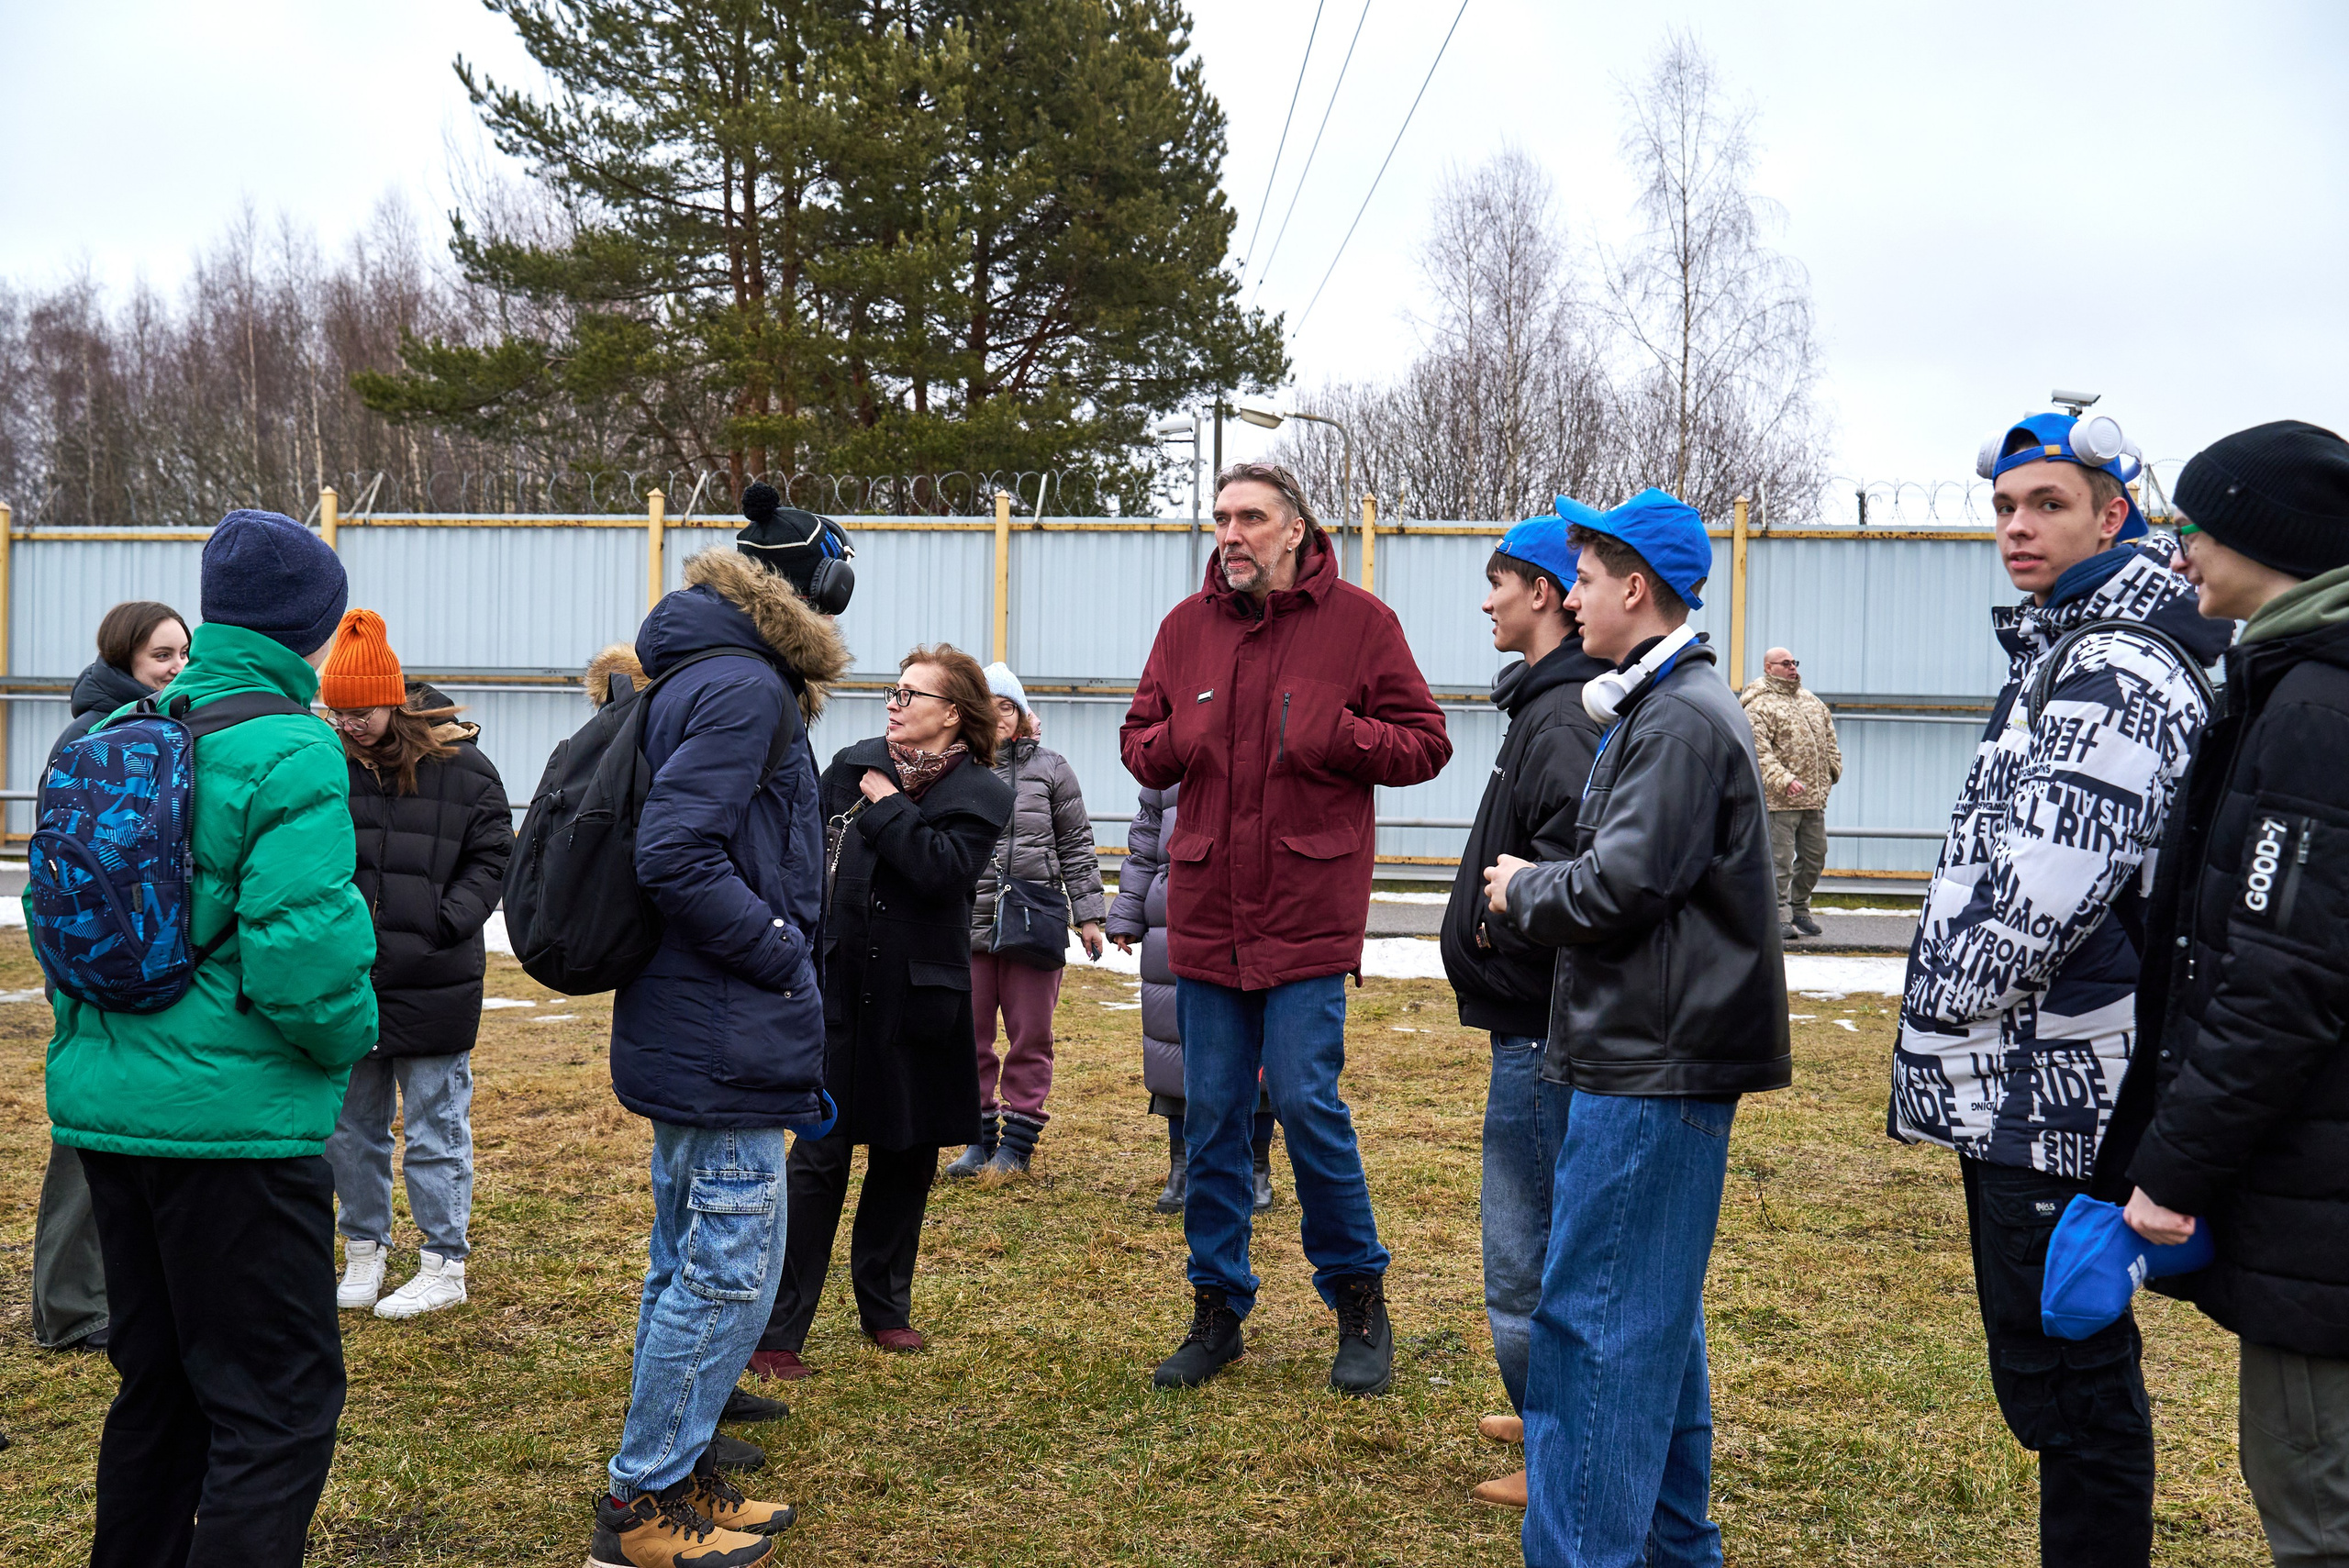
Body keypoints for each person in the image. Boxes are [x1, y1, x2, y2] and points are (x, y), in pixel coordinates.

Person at [1889, 407, 2228, 1568]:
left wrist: (1941, 984)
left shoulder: (2116, 661)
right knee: (2058, 1364)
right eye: (2003, 506)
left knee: (2069, 1370)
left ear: (2112, 512)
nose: (2017, 528)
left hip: (2056, 1078)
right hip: (2029, 1066)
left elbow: (2042, 890)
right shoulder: (2068, 644)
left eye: (2047, 504)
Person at [46, 510, 378, 1566]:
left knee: (162, 1386)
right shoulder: (291, 745)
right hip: (237, 1131)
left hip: (112, 1116)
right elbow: (305, 964)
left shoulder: (113, 733)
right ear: (314, 627)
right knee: (277, 1404)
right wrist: (348, 1042)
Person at [1485, 488, 1792, 1567]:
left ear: (1633, 586)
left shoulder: (1675, 718)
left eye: (1581, 574)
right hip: (1648, 1057)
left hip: (1649, 1067)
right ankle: (1673, 1547)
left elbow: (1620, 885)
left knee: (1594, 1330)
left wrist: (1525, 886)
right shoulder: (1667, 706)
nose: (1569, 595)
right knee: (1650, 1327)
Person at [1120, 461, 1452, 1396]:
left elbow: (1426, 740)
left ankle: (1357, 1299)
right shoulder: (1184, 628)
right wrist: (1179, 741)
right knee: (1215, 1115)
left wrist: (1338, 736)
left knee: (1306, 1106)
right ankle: (1216, 1309)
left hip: (1305, 914)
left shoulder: (1361, 624)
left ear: (1298, 529)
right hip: (1207, 914)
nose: (1230, 532)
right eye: (1221, 516)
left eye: (1251, 517)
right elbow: (1138, 739)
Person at [2096, 421, 2349, 1568]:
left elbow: (2278, 980)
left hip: (2323, 1212)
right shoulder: (2295, 681)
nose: (2174, 545)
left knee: (2313, 1494)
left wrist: (2172, 1167)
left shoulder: (2316, 710)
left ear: (2266, 534)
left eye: (2192, 523)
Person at [588, 494, 852, 1568]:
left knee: (684, 1261)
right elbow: (677, 853)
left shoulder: (700, 668)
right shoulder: (745, 687)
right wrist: (784, 951)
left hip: (699, 1022)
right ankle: (641, 1507)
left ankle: (680, 1469)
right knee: (725, 1271)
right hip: (725, 1025)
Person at [751, 645, 1013, 1381]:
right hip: (837, 985)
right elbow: (809, 856)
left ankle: (885, 1309)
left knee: (905, 1156)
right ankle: (779, 1329)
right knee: (820, 1158)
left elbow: (940, 871)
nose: (893, 702)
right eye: (893, 690)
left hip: (919, 999)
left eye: (910, 692)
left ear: (952, 712)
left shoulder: (983, 793)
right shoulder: (852, 763)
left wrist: (889, 803)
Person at [1440, 500, 1609, 1512]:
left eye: (1501, 580)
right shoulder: (1543, 706)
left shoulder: (1558, 717)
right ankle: (1544, 1403)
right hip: (1527, 1017)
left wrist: (1498, 934)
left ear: (1545, 593)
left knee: (1527, 1246)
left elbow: (1568, 869)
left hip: (1540, 1027)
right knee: (1538, 1231)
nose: (1487, 598)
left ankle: (1557, 1445)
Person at [317, 610, 511, 1321]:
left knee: (435, 1127)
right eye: (334, 712)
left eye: (359, 711)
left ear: (392, 699)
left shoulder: (464, 768)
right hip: (350, 979)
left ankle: (443, 1263)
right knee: (351, 1127)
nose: (348, 725)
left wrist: (445, 919)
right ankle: (363, 1251)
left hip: (433, 977)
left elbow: (494, 852)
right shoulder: (325, 762)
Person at [30, 599, 190, 1355]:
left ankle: (98, 1295)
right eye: (163, 654)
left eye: (184, 653)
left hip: (128, 951)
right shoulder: (95, 737)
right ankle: (66, 1306)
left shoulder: (148, 728)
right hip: (99, 962)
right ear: (124, 656)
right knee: (85, 1141)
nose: (177, 667)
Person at [946, 661, 1108, 1181]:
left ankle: (1017, 1142)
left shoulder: (1053, 769)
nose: (996, 717)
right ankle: (977, 1137)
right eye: (985, 706)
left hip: (1034, 922)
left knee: (1031, 1035)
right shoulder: (952, 768)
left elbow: (1078, 848)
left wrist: (1089, 915)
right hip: (967, 921)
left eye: (1006, 706)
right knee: (967, 1038)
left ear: (1020, 713)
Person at [1105, 783, 1282, 1216]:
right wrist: (1128, 911)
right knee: (1173, 1049)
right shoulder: (1167, 762)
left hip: (1252, 911)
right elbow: (1144, 843)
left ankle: (1256, 1166)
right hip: (1173, 916)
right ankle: (1181, 1166)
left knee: (1254, 1049)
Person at [1739, 645, 1842, 940]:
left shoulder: (1811, 702)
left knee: (1814, 857)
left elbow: (1830, 740)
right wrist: (1784, 780)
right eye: (1784, 663)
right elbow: (1759, 752)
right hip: (1780, 801)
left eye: (1794, 662)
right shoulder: (1758, 706)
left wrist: (1833, 769)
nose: (1792, 667)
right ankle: (1779, 915)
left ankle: (1800, 910)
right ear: (1769, 668)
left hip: (1813, 798)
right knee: (1780, 862)